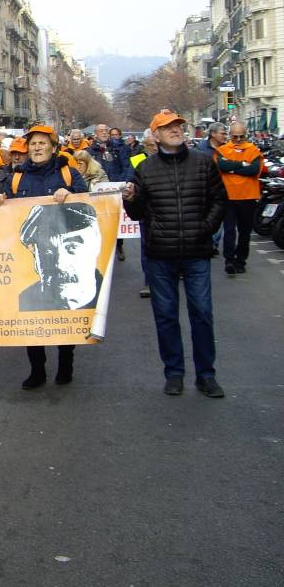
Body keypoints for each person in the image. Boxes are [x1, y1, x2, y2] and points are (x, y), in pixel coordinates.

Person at [123, 110, 228, 398]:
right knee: (166, 316)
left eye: (178, 126)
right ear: (155, 136)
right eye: (167, 127)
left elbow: (220, 199)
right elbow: (137, 213)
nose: (175, 130)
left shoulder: (204, 163)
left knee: (202, 315)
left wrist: (205, 228)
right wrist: (130, 199)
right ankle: (174, 373)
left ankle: (206, 375)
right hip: (161, 254)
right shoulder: (145, 169)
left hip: (196, 252)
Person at [0, 124, 88, 389]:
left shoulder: (68, 174)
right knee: (31, 314)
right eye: (33, 144)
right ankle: (37, 369)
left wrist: (72, 195)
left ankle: (66, 361)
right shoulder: (16, 177)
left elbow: (90, 206)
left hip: (64, 253)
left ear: (53, 147)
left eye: (42, 143)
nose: (37, 148)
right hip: (30, 256)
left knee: (64, 310)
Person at [18, 203, 103, 312]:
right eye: (47, 250)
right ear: (36, 258)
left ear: (96, 246)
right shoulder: (23, 302)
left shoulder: (111, 302)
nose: (60, 264)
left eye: (72, 247)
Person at [215, 122, 263, 275]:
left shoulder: (254, 150)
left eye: (241, 136)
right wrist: (242, 164)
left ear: (245, 135)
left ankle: (241, 260)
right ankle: (229, 260)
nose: (238, 139)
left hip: (248, 196)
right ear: (230, 136)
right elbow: (222, 166)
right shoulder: (222, 150)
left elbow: (254, 169)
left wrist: (232, 169)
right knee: (229, 231)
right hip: (229, 197)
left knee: (245, 232)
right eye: (235, 136)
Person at [87, 123, 132, 260]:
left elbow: (128, 166)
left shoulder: (120, 148)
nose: (104, 133)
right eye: (101, 131)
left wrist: (124, 182)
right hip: (99, 190)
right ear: (96, 134)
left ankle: (119, 245)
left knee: (117, 218)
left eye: (106, 130)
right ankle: (103, 246)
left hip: (117, 188)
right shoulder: (89, 151)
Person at [131, 131, 158, 298]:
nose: (154, 148)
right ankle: (149, 282)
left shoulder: (168, 159)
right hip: (146, 212)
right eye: (150, 146)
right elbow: (129, 178)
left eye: (156, 145)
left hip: (165, 212)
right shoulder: (137, 160)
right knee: (146, 247)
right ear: (144, 146)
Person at [196, 122, 228, 254]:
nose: (225, 136)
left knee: (219, 216)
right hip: (206, 187)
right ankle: (209, 241)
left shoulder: (228, 147)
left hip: (224, 187)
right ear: (213, 134)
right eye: (222, 133)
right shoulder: (202, 147)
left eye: (226, 133)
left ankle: (213, 243)